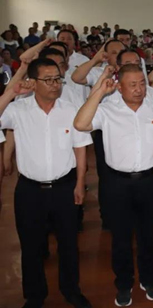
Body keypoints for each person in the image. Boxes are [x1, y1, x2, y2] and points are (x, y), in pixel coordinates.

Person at [0, 58, 93, 308]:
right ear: (33, 82)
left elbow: (80, 148)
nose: (55, 84)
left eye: (57, 79)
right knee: (30, 245)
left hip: (65, 187)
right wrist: (11, 92)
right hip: (29, 190)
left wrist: (80, 183)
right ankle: (34, 295)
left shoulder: (70, 109)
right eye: (48, 80)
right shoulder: (19, 110)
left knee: (69, 244)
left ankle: (71, 290)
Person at [74, 64, 153, 306]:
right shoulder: (107, 110)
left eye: (142, 83)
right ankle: (124, 284)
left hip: (148, 181)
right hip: (117, 183)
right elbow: (80, 124)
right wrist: (99, 92)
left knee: (148, 234)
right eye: (132, 85)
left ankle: (149, 279)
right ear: (120, 86)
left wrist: (151, 164)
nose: (139, 89)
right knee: (121, 237)